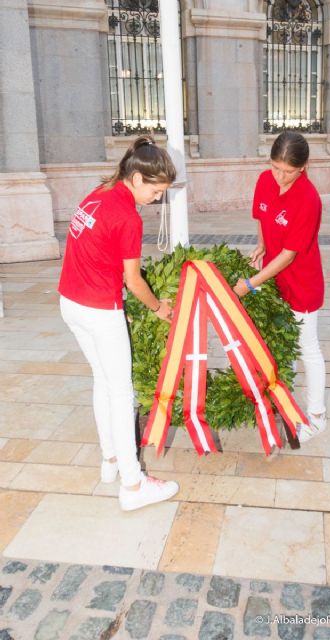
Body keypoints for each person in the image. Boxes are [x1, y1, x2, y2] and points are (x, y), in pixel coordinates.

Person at [58, 135, 179, 510]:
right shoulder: (128, 216)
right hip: (98, 309)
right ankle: (133, 483)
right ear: (138, 178)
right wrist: (159, 308)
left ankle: (110, 460)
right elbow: (134, 281)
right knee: (122, 392)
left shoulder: (99, 192)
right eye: (156, 192)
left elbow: (95, 249)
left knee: (103, 380)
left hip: (71, 302)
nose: (157, 200)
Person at [233, 131, 326, 443]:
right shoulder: (264, 180)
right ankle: (285, 403)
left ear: (303, 167)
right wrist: (261, 243)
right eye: (275, 167)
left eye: (288, 171)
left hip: (301, 283)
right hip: (274, 280)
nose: (280, 176)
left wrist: (250, 284)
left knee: (307, 347)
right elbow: (261, 215)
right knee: (282, 345)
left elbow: (289, 255)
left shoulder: (308, 199)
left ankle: (317, 416)